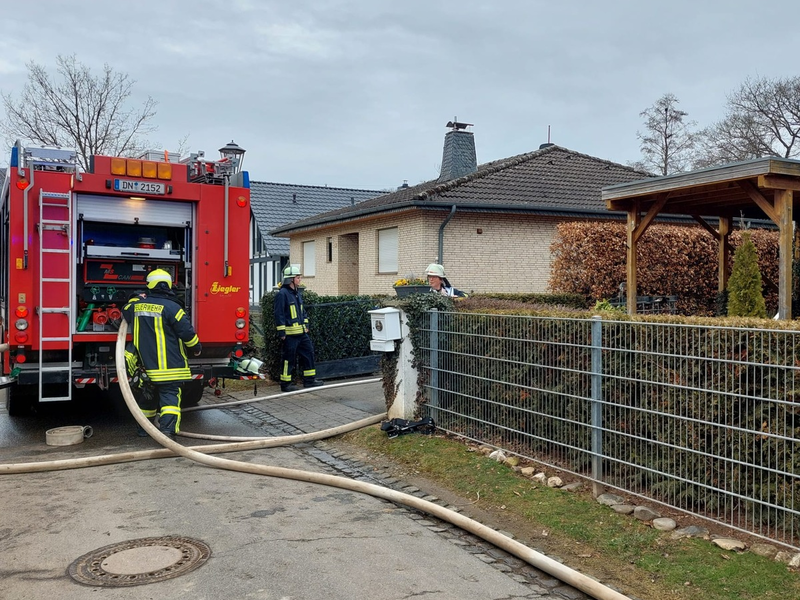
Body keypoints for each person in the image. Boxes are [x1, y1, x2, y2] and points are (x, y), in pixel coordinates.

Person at [122, 269, 202, 440]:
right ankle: (167, 432)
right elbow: (187, 333)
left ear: (150, 285)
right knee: (170, 399)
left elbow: (125, 310)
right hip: (171, 367)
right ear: (168, 284)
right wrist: (196, 347)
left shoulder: (135, 307)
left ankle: (144, 429)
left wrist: (136, 297)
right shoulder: (173, 307)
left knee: (147, 398)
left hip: (146, 368)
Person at [274, 265, 324, 393]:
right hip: (290, 335)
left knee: (309, 354)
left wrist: (306, 325)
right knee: (288, 359)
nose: (300, 279)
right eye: (297, 277)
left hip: (302, 334)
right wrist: (282, 332)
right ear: (290, 279)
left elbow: (303, 312)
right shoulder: (282, 294)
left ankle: (309, 381)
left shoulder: (297, 293)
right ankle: (285, 384)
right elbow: (279, 314)